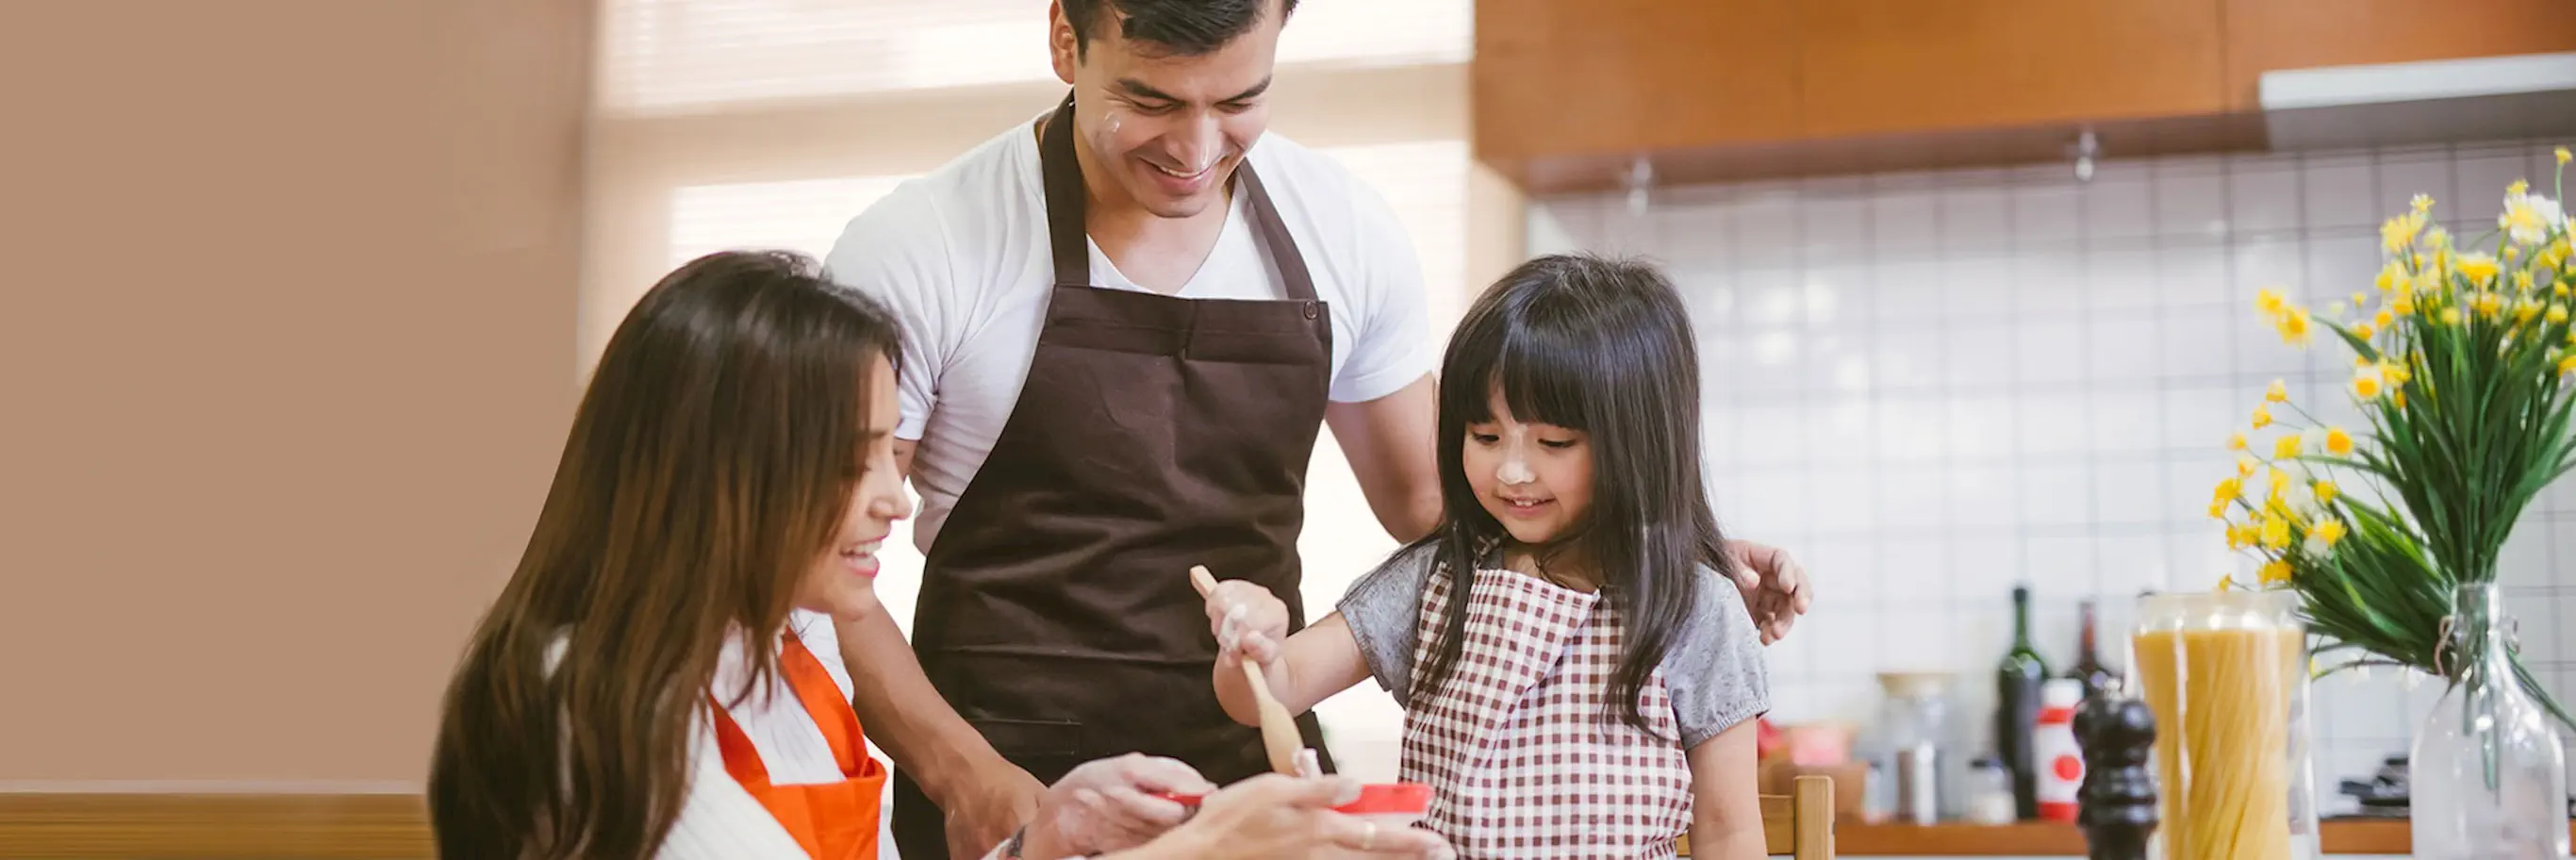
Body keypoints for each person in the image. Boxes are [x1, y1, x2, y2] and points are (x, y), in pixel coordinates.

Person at [821, 0, 1811, 856]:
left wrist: (1669, 543)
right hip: (1013, 771)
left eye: (1238, 100)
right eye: (1152, 101)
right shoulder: (926, 245)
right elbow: (823, 558)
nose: (1197, 150)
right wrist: (967, 780)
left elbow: (1441, 502)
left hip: (1258, 772)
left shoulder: (1340, 227)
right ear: (1063, 41)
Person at [423, 251, 1451, 860]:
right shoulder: (589, 703)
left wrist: (1040, 839)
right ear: (715, 471)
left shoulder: (791, 661)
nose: (896, 497)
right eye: (850, 461)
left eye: (890, 450)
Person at [1201, 254, 1774, 859]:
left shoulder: (1696, 604)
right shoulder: (1436, 579)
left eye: (1554, 442)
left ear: (1639, 442)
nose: (1513, 470)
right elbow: (1270, 689)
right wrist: (1255, 643)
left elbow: (1728, 827)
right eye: (1485, 436)